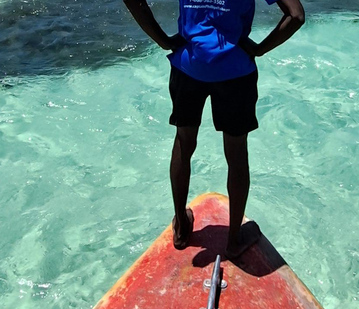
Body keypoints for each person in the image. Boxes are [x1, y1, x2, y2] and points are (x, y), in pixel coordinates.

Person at [123, 0, 305, 258]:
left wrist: (162, 40)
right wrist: (261, 49)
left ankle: (181, 227)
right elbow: (296, 16)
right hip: (235, 71)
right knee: (236, 154)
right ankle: (233, 240)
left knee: (184, 143)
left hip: (189, 66)